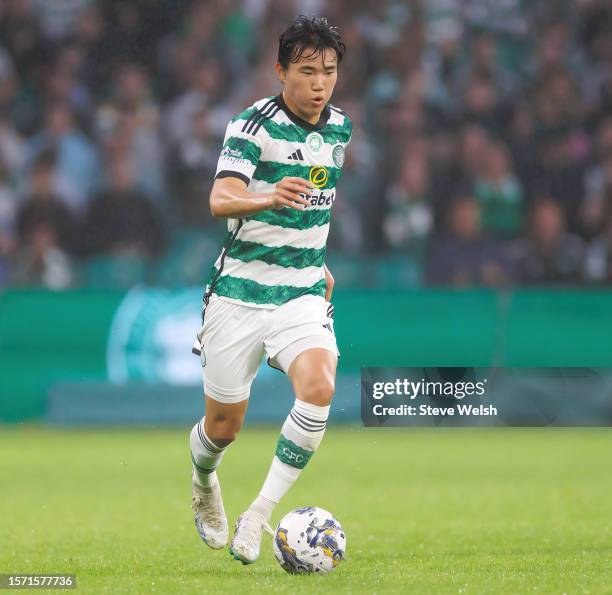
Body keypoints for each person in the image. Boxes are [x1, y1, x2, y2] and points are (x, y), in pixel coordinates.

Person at [188, 15, 351, 565]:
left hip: (300, 292)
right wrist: (267, 196)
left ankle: (258, 513)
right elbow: (220, 199)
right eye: (306, 72)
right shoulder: (250, 127)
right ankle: (203, 477)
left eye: (328, 72)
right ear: (280, 71)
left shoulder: (340, 129)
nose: (319, 84)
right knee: (222, 428)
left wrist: (318, 261)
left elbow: (321, 204)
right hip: (238, 293)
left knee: (320, 385)